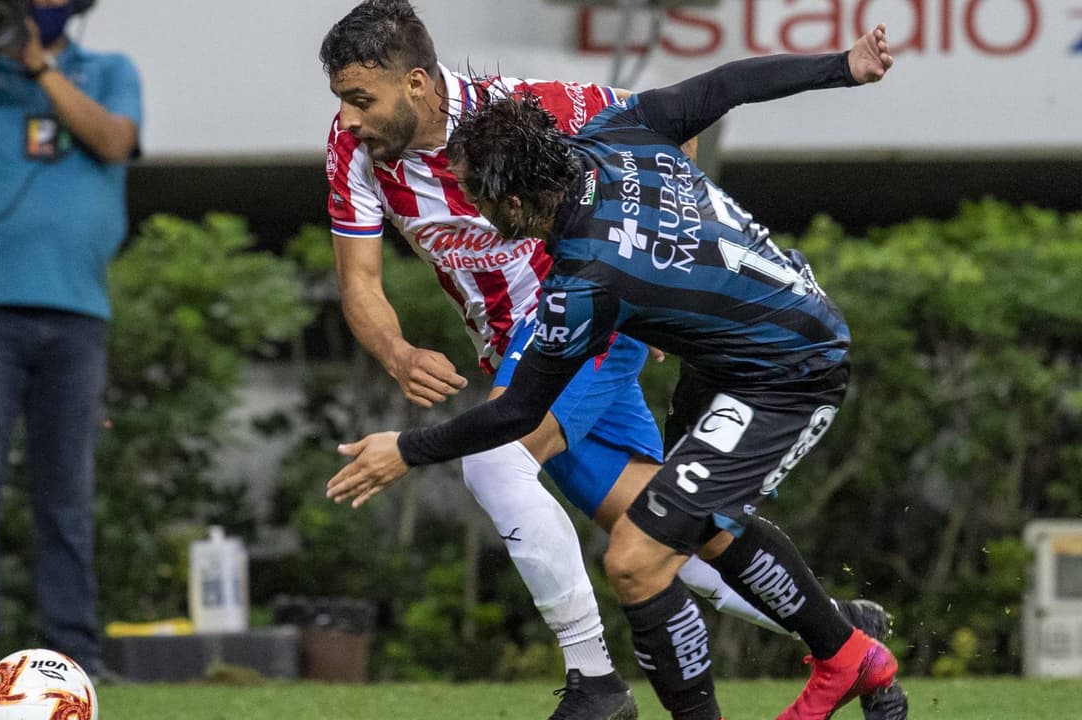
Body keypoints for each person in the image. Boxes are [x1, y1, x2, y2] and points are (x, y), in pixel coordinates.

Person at [321, 3, 905, 719]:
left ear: (416, 83)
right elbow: (359, 283)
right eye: (341, 101)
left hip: (582, 321)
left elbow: (685, 116)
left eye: (360, 99)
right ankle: (837, 632)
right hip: (539, 347)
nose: (347, 118)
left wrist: (655, 270)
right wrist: (398, 350)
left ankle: (594, 681)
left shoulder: (538, 112)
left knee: (497, 463)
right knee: (658, 524)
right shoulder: (353, 150)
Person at [0, 0, 141, 687]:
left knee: (67, 495)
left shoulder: (109, 69)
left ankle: (73, 653)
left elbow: (115, 140)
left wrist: (38, 66)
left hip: (77, 313)